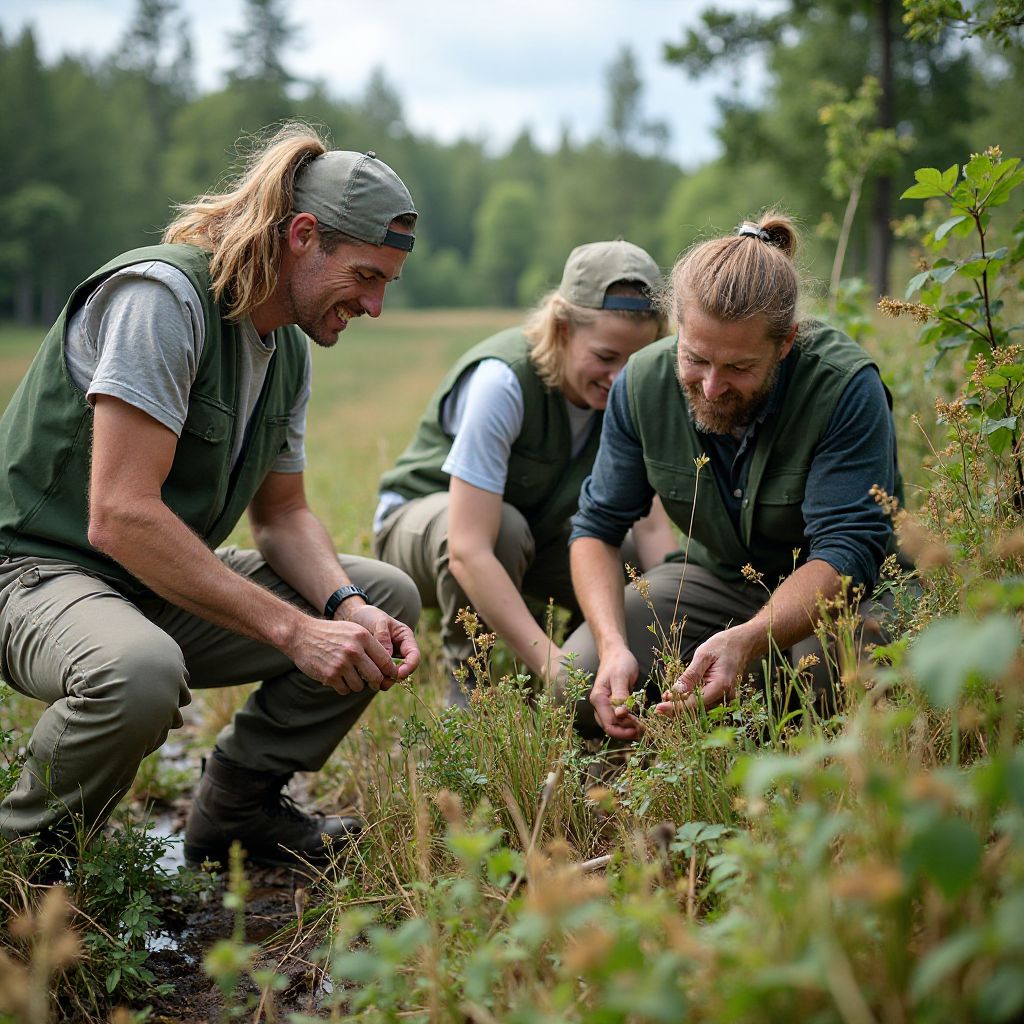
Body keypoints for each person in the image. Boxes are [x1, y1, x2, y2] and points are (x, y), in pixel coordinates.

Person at [0, 123, 423, 869]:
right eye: (365, 276)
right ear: (301, 235)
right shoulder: (162, 300)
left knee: (380, 599)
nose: (377, 305)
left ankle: (236, 811)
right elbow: (122, 516)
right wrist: (296, 633)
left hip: (144, 579)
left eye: (387, 282)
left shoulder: (287, 343)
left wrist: (344, 609)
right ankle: (27, 869)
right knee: (138, 672)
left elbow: (284, 515)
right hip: (35, 571)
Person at [563, 214, 900, 739]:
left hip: (839, 594)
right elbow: (596, 528)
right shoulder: (640, 385)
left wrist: (749, 639)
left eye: (739, 367)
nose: (713, 386)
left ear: (785, 342)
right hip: (717, 579)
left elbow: (846, 552)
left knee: (829, 690)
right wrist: (612, 645)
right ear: (676, 323)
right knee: (577, 679)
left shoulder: (844, 387)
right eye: (695, 359)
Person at [374, 241, 675, 704]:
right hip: (421, 535)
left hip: (533, 535)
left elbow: (651, 525)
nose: (620, 378)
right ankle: (470, 687)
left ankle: (602, 668)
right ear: (562, 329)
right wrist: (550, 663)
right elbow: (468, 549)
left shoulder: (632, 393)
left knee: (630, 556)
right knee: (503, 531)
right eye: (605, 356)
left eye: (636, 362)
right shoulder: (504, 381)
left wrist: (677, 632)